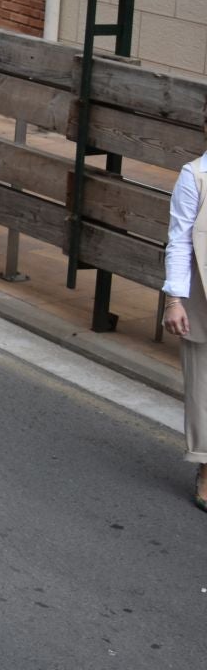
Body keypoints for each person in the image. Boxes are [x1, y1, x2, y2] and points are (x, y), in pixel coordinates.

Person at [161, 113, 207, 512]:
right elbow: (178, 241)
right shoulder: (194, 176)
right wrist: (174, 300)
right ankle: (206, 468)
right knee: (203, 388)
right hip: (201, 296)